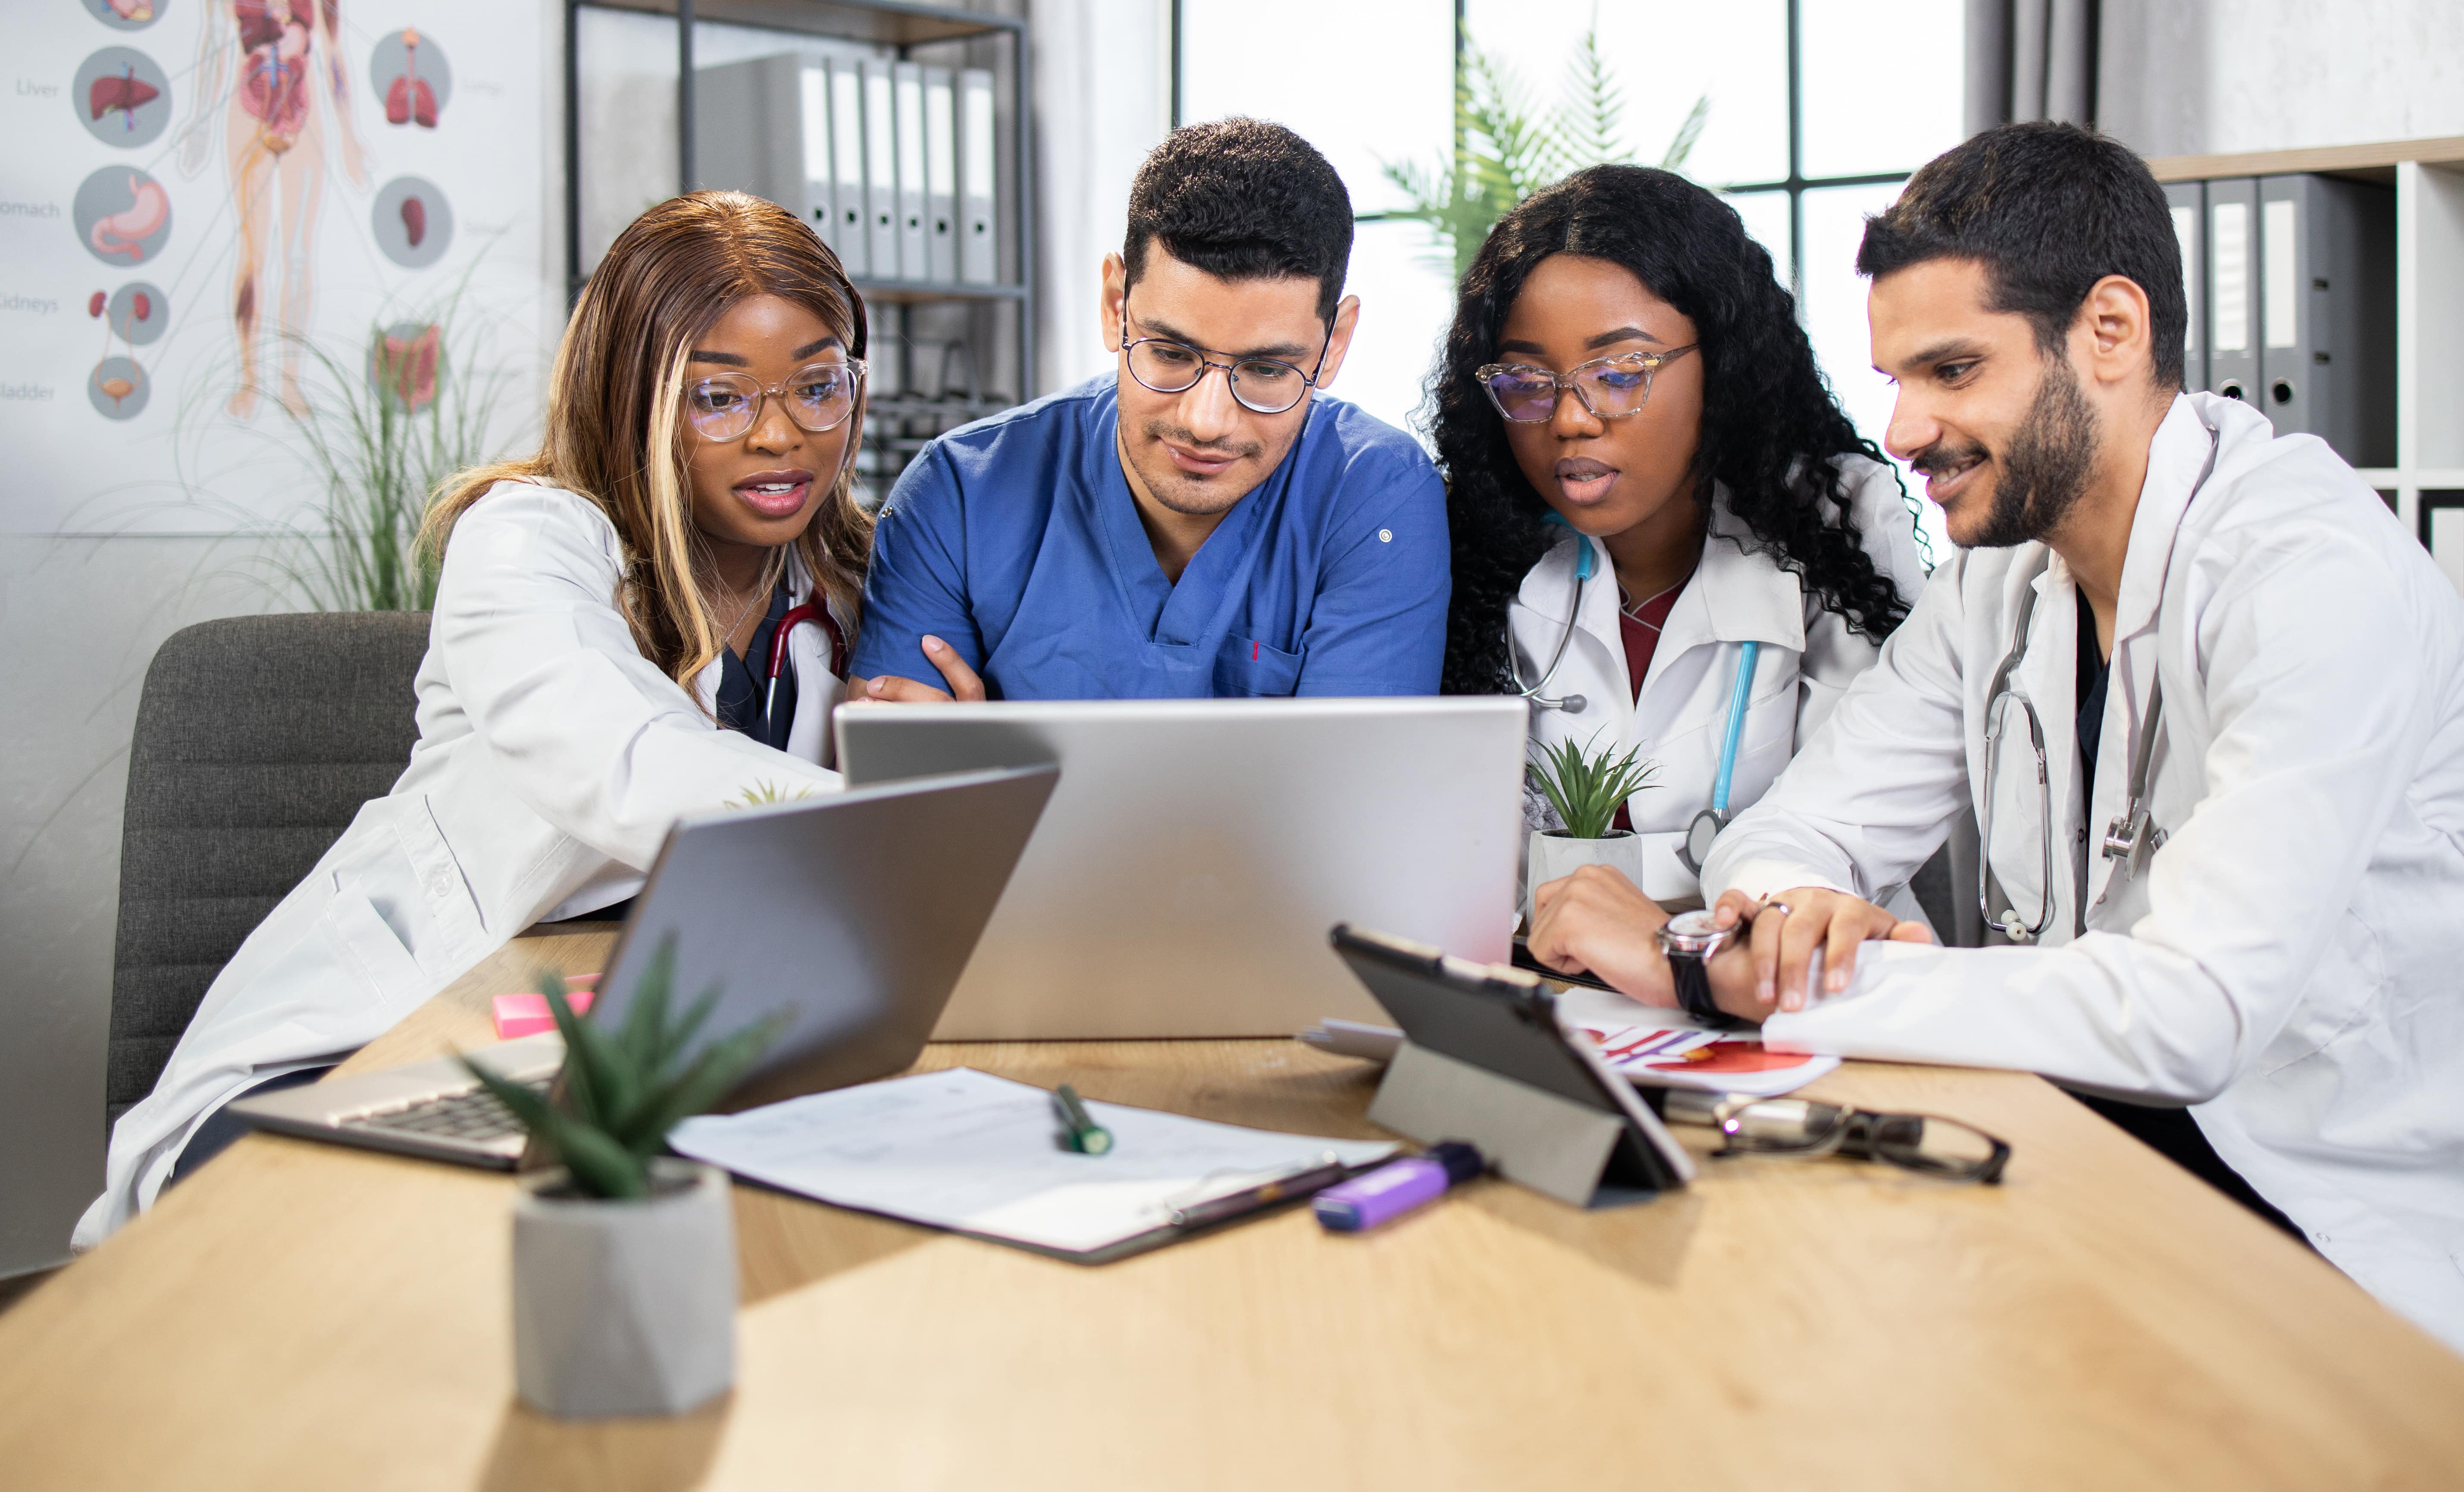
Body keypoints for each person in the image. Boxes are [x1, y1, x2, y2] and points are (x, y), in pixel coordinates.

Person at [1525, 122, 2464, 1468]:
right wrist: (1784, 912)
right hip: (2136, 1151)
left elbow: (2190, 1016)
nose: (1906, 429)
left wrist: (1735, 977)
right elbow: (1803, 826)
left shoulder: (2312, 579)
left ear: (2111, 330)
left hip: (2385, 1222)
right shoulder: (2002, 581)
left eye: (1951, 371)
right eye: (1898, 378)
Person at [78, 192, 865, 1245]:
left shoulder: (841, 580)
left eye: (819, 386)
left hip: (606, 1048)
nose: (783, 435)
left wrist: (929, 732)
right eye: (719, 398)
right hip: (369, 1045)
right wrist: (898, 818)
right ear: (632, 394)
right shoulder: (529, 541)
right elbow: (625, 765)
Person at [1431, 165, 1928, 909]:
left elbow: (1858, 820)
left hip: (1785, 980)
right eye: (1530, 383)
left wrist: (1601, 891)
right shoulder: (1478, 547)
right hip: (1543, 983)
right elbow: (1450, 846)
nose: (1570, 418)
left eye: (1620, 372)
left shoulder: (1835, 519)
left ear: (1721, 363)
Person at [848, 118, 1449, 702]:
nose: (1205, 421)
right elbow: (898, 788)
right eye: (1169, 353)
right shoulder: (957, 495)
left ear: (1334, 344)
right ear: (1116, 305)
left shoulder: (1378, 497)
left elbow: (1350, 797)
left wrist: (992, 783)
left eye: (1266, 370)